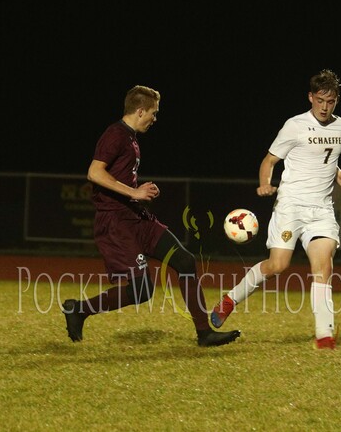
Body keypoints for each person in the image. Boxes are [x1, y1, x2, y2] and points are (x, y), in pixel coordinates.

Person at [61, 85, 241, 347]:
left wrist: (139, 191)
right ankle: (79, 309)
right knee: (142, 289)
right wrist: (134, 191)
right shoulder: (115, 134)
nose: (155, 119)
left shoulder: (131, 137)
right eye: (154, 113)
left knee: (185, 261)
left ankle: (205, 333)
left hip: (137, 218)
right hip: (116, 222)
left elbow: (118, 177)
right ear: (140, 110)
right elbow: (95, 173)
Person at [211, 69, 341, 350]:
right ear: (310, 97)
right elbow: (269, 161)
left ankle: (324, 336)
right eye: (320, 100)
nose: (325, 107)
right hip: (290, 205)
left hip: (322, 210)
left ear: (337, 100)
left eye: (331, 101)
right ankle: (229, 300)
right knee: (278, 265)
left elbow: (326, 157)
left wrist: (337, 173)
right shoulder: (294, 125)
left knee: (323, 266)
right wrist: (264, 184)